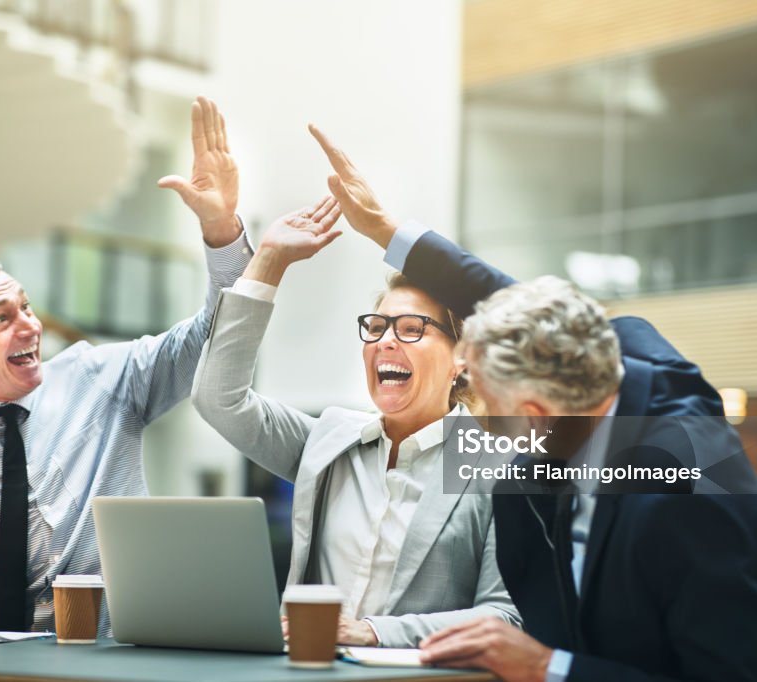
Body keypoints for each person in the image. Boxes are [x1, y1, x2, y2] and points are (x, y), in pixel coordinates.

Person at [309, 128, 757, 681]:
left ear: (535, 415)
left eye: (488, 411)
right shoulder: (613, 352)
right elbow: (520, 305)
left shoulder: (685, 500)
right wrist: (387, 232)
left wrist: (550, 668)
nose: (479, 427)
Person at [0, 96, 251, 635]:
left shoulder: (105, 378)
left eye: (26, 306)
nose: (30, 326)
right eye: (1, 319)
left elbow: (217, 337)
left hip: (120, 653)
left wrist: (222, 231)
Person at [190, 197, 520, 648]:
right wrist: (268, 263)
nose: (385, 341)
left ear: (462, 359)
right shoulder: (329, 440)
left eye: (410, 328)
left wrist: (371, 634)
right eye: (377, 326)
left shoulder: (503, 470)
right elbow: (217, 398)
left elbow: (504, 616)